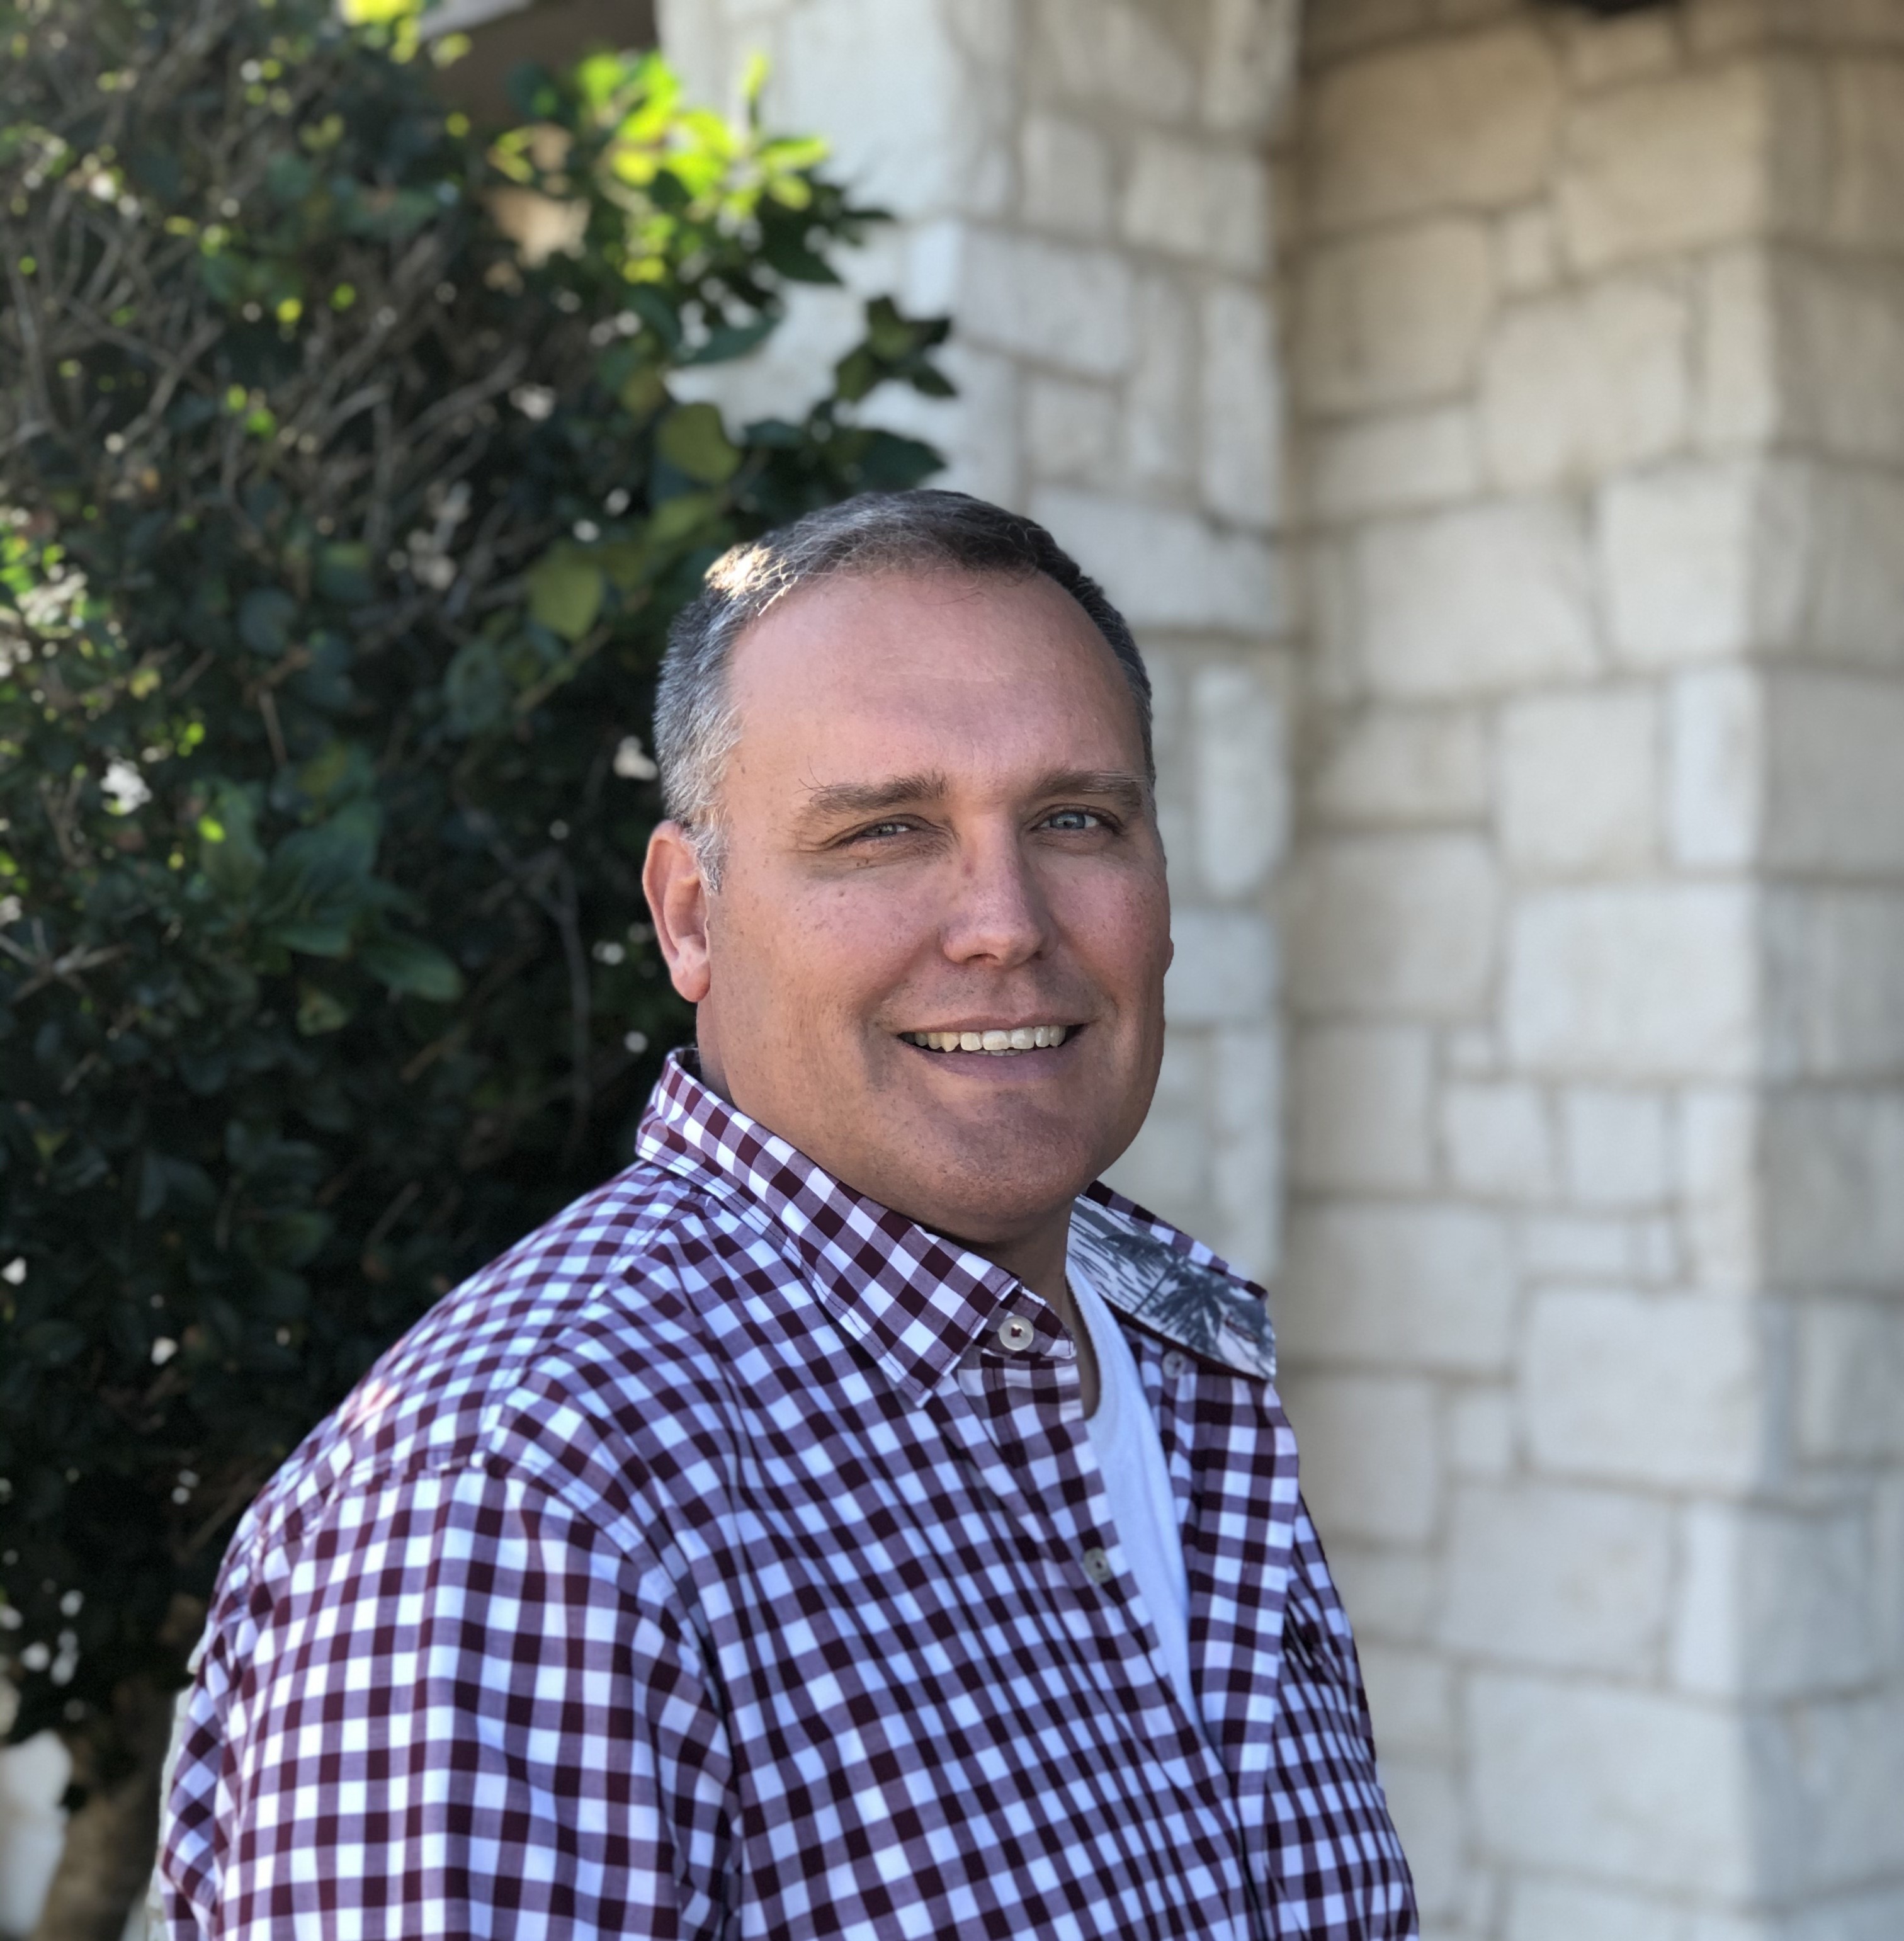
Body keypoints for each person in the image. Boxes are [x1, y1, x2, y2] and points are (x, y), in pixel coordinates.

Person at [159, 491, 1417, 1938]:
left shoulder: (1181, 1362)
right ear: (690, 915)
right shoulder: (524, 1502)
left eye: (1076, 819)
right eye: (884, 831)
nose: (1006, 920)